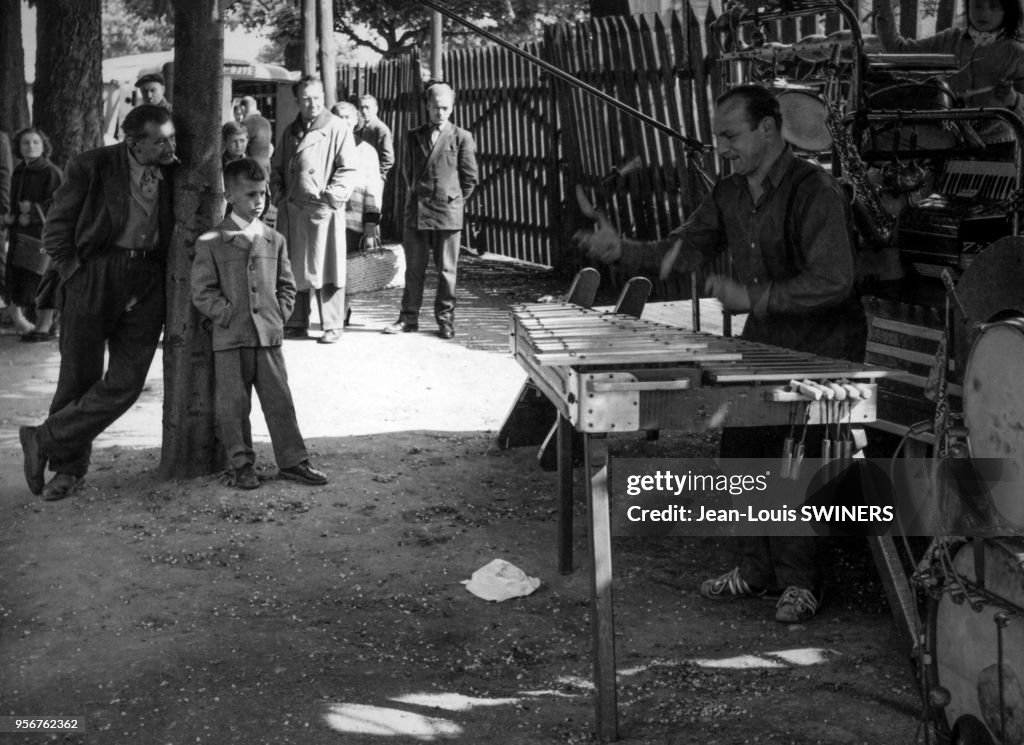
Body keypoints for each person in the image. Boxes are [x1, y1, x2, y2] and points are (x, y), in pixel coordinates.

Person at [578, 85, 866, 624]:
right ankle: (754, 570)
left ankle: (802, 584)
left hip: (826, 344)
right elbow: (686, 247)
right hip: (766, 337)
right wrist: (625, 250)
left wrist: (752, 297)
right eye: (718, 137)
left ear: (768, 129)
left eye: (731, 136)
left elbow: (835, 279)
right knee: (743, 446)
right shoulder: (731, 193)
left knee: (798, 459)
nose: (723, 148)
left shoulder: (816, 190)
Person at [18, 105, 177, 501]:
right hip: (95, 274)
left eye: (170, 137)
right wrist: (75, 273)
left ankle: (44, 438)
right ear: (133, 142)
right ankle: (67, 471)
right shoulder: (92, 165)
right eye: (159, 140)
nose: (169, 146)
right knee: (78, 378)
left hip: (149, 279)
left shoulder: (177, 171)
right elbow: (56, 229)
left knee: (126, 382)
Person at [191, 158, 328, 489]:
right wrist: (227, 314)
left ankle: (294, 461)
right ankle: (241, 464)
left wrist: (278, 314)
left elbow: (286, 285)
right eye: (251, 195)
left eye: (263, 194)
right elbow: (202, 292)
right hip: (231, 338)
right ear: (229, 196)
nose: (259, 202)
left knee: (280, 400)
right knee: (233, 406)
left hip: (268, 336)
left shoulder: (273, 239)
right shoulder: (210, 241)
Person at [383, 82, 478, 340]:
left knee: (447, 271)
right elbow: (406, 171)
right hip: (417, 211)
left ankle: (445, 320)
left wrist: (452, 200)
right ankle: (408, 318)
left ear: (452, 108)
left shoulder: (462, 137)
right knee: (413, 269)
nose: (440, 113)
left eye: (445, 108)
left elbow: (470, 179)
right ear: (427, 106)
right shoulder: (414, 135)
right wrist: (416, 193)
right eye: (436, 107)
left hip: (448, 214)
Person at [270, 76, 359, 345]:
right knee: (294, 268)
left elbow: (349, 168)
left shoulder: (337, 128)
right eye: (307, 98)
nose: (313, 103)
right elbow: (275, 169)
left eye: (317, 97)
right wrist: (280, 196)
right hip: (294, 210)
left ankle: (332, 324)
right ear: (298, 100)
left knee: (328, 267)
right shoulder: (289, 131)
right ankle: (296, 321)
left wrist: (331, 198)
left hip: (323, 211)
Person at [873, 0, 1024, 146]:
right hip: (950, 144)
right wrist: (884, 9)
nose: (984, 13)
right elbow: (899, 51)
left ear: (1008, 10)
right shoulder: (949, 39)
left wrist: (1013, 99)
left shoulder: (1017, 53)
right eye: (977, 5)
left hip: (1000, 145)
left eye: (994, 6)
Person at [4, 127, 62, 340]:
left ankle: (44, 327)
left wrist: (34, 213)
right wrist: (12, 216)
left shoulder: (51, 172)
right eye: (25, 143)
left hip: (42, 236)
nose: (31, 146)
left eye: (35, 142)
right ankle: (27, 324)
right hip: (20, 235)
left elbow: (61, 204)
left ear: (43, 146)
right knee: (19, 279)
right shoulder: (20, 171)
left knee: (42, 280)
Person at [332, 101, 384, 252]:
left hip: (355, 224)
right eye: (338, 117)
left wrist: (370, 225)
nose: (343, 121)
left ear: (355, 120)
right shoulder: (326, 149)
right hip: (329, 222)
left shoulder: (367, 152)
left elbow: (373, 190)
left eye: (347, 117)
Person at [355, 94, 395, 181]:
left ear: (376, 109)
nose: (364, 111)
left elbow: (388, 159)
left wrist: (378, 176)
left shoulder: (381, 129)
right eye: (361, 108)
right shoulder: (359, 128)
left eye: (367, 107)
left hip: (373, 178)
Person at [238, 95, 273, 174]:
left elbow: (240, 146)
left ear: (243, 108)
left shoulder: (246, 123)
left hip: (251, 167)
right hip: (266, 165)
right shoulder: (266, 122)